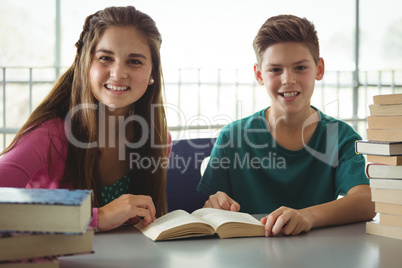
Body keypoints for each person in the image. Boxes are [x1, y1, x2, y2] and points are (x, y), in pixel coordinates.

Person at [197, 15, 375, 237]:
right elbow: (207, 210)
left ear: (319, 69)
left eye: (300, 67)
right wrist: (214, 203)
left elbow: (366, 201)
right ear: (259, 74)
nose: (288, 79)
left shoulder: (339, 136)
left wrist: (307, 216)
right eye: (275, 70)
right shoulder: (232, 137)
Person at [0, 6, 171, 232]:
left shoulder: (159, 140)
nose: (118, 73)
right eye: (105, 58)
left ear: (152, 74)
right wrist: (96, 217)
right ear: (85, 64)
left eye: (135, 61)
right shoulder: (50, 134)